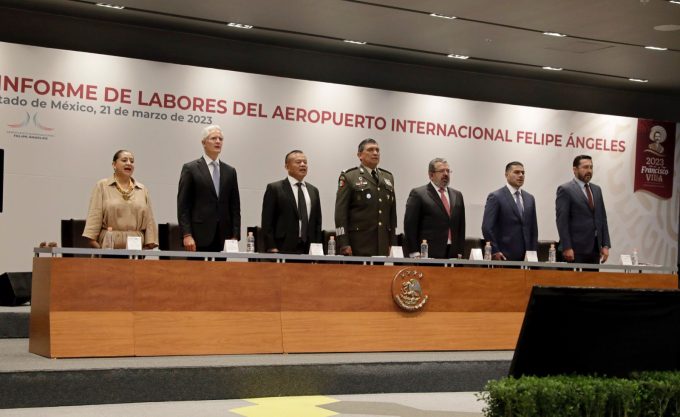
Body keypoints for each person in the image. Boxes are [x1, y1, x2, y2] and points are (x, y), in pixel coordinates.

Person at [177, 125, 241, 252]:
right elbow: (183, 206)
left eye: (220, 139)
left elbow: (235, 207)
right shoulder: (191, 169)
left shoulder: (230, 171)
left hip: (223, 236)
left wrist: (235, 235)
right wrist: (187, 234)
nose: (218, 141)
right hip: (198, 235)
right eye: (213, 138)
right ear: (203, 143)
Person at [83, 150, 158, 249]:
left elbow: (149, 220)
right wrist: (100, 250)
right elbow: (94, 215)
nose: (129, 163)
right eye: (124, 160)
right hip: (108, 245)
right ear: (114, 165)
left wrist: (146, 247)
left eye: (132, 161)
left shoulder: (142, 189)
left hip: (135, 246)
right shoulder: (102, 186)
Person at [334, 138, 396, 256]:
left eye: (377, 150)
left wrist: (392, 243)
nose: (375, 153)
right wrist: (344, 243)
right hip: (358, 244)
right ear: (360, 155)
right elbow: (340, 214)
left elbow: (392, 214)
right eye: (370, 150)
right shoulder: (349, 177)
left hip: (382, 244)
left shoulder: (388, 177)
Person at [261, 150, 322, 254]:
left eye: (305, 162)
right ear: (287, 166)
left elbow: (317, 222)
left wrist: (317, 247)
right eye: (298, 162)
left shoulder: (313, 190)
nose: (303, 165)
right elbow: (267, 221)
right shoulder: (275, 188)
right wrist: (271, 246)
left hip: (308, 248)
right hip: (282, 246)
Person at [403, 158, 465, 258]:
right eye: (442, 171)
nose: (446, 174)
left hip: (452, 252)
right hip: (427, 252)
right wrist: (414, 251)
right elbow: (410, 225)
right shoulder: (418, 194)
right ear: (431, 175)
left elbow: (461, 226)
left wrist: (460, 250)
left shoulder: (457, 195)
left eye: (448, 171)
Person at [555, 155, 610, 264]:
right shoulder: (565, 190)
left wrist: (605, 245)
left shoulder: (597, 190)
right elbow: (562, 221)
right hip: (574, 250)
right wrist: (567, 247)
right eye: (585, 167)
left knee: (592, 276)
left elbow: (602, 218)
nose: (589, 170)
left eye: (591, 167)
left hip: (595, 249)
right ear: (575, 169)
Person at [481, 161, 538, 261]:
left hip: (527, 257)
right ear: (506, 175)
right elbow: (487, 227)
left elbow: (533, 229)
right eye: (516, 172)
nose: (521, 175)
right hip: (503, 256)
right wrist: (495, 251)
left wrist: (533, 253)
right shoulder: (496, 197)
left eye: (523, 173)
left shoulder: (530, 198)